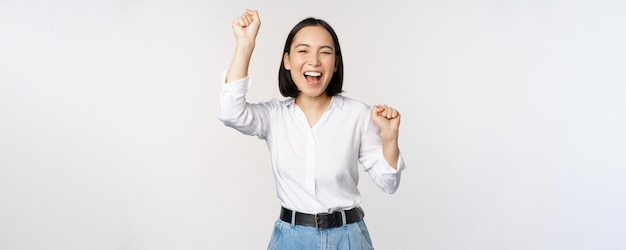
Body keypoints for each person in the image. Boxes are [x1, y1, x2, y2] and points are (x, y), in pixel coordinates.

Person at [217, 9, 406, 250]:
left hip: (348, 238)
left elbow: (388, 184)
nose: (314, 61)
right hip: (291, 239)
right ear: (287, 60)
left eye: (324, 52)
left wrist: (390, 136)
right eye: (303, 51)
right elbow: (229, 112)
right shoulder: (274, 116)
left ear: (335, 63)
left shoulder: (358, 114)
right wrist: (245, 44)